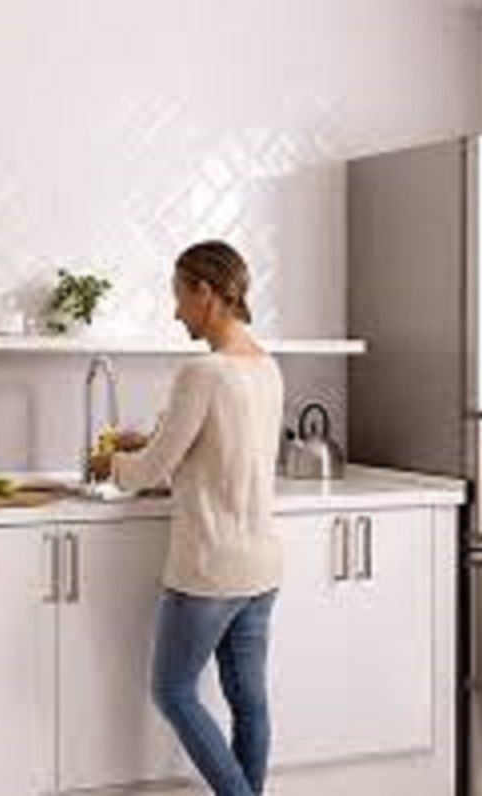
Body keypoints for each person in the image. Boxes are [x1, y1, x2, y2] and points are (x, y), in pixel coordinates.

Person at [90, 240, 284, 796]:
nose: (175, 313)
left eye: (179, 297)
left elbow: (151, 470)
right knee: (250, 702)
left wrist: (112, 462)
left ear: (206, 293)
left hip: (210, 567)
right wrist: (148, 439)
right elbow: (217, 440)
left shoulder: (202, 372)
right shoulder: (266, 367)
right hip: (261, 565)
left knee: (172, 690)